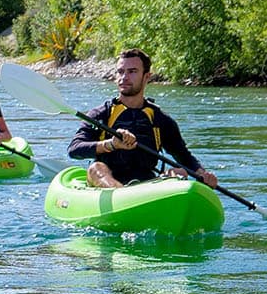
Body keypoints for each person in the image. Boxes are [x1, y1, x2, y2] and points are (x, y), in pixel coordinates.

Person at [68, 49, 217, 190]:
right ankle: (121, 196)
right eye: (120, 72)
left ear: (146, 77)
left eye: (132, 72)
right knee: (96, 168)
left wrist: (203, 174)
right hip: (107, 181)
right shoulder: (100, 114)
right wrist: (111, 144)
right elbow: (75, 149)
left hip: (147, 184)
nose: (124, 77)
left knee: (180, 172)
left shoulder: (160, 119)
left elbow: (183, 156)